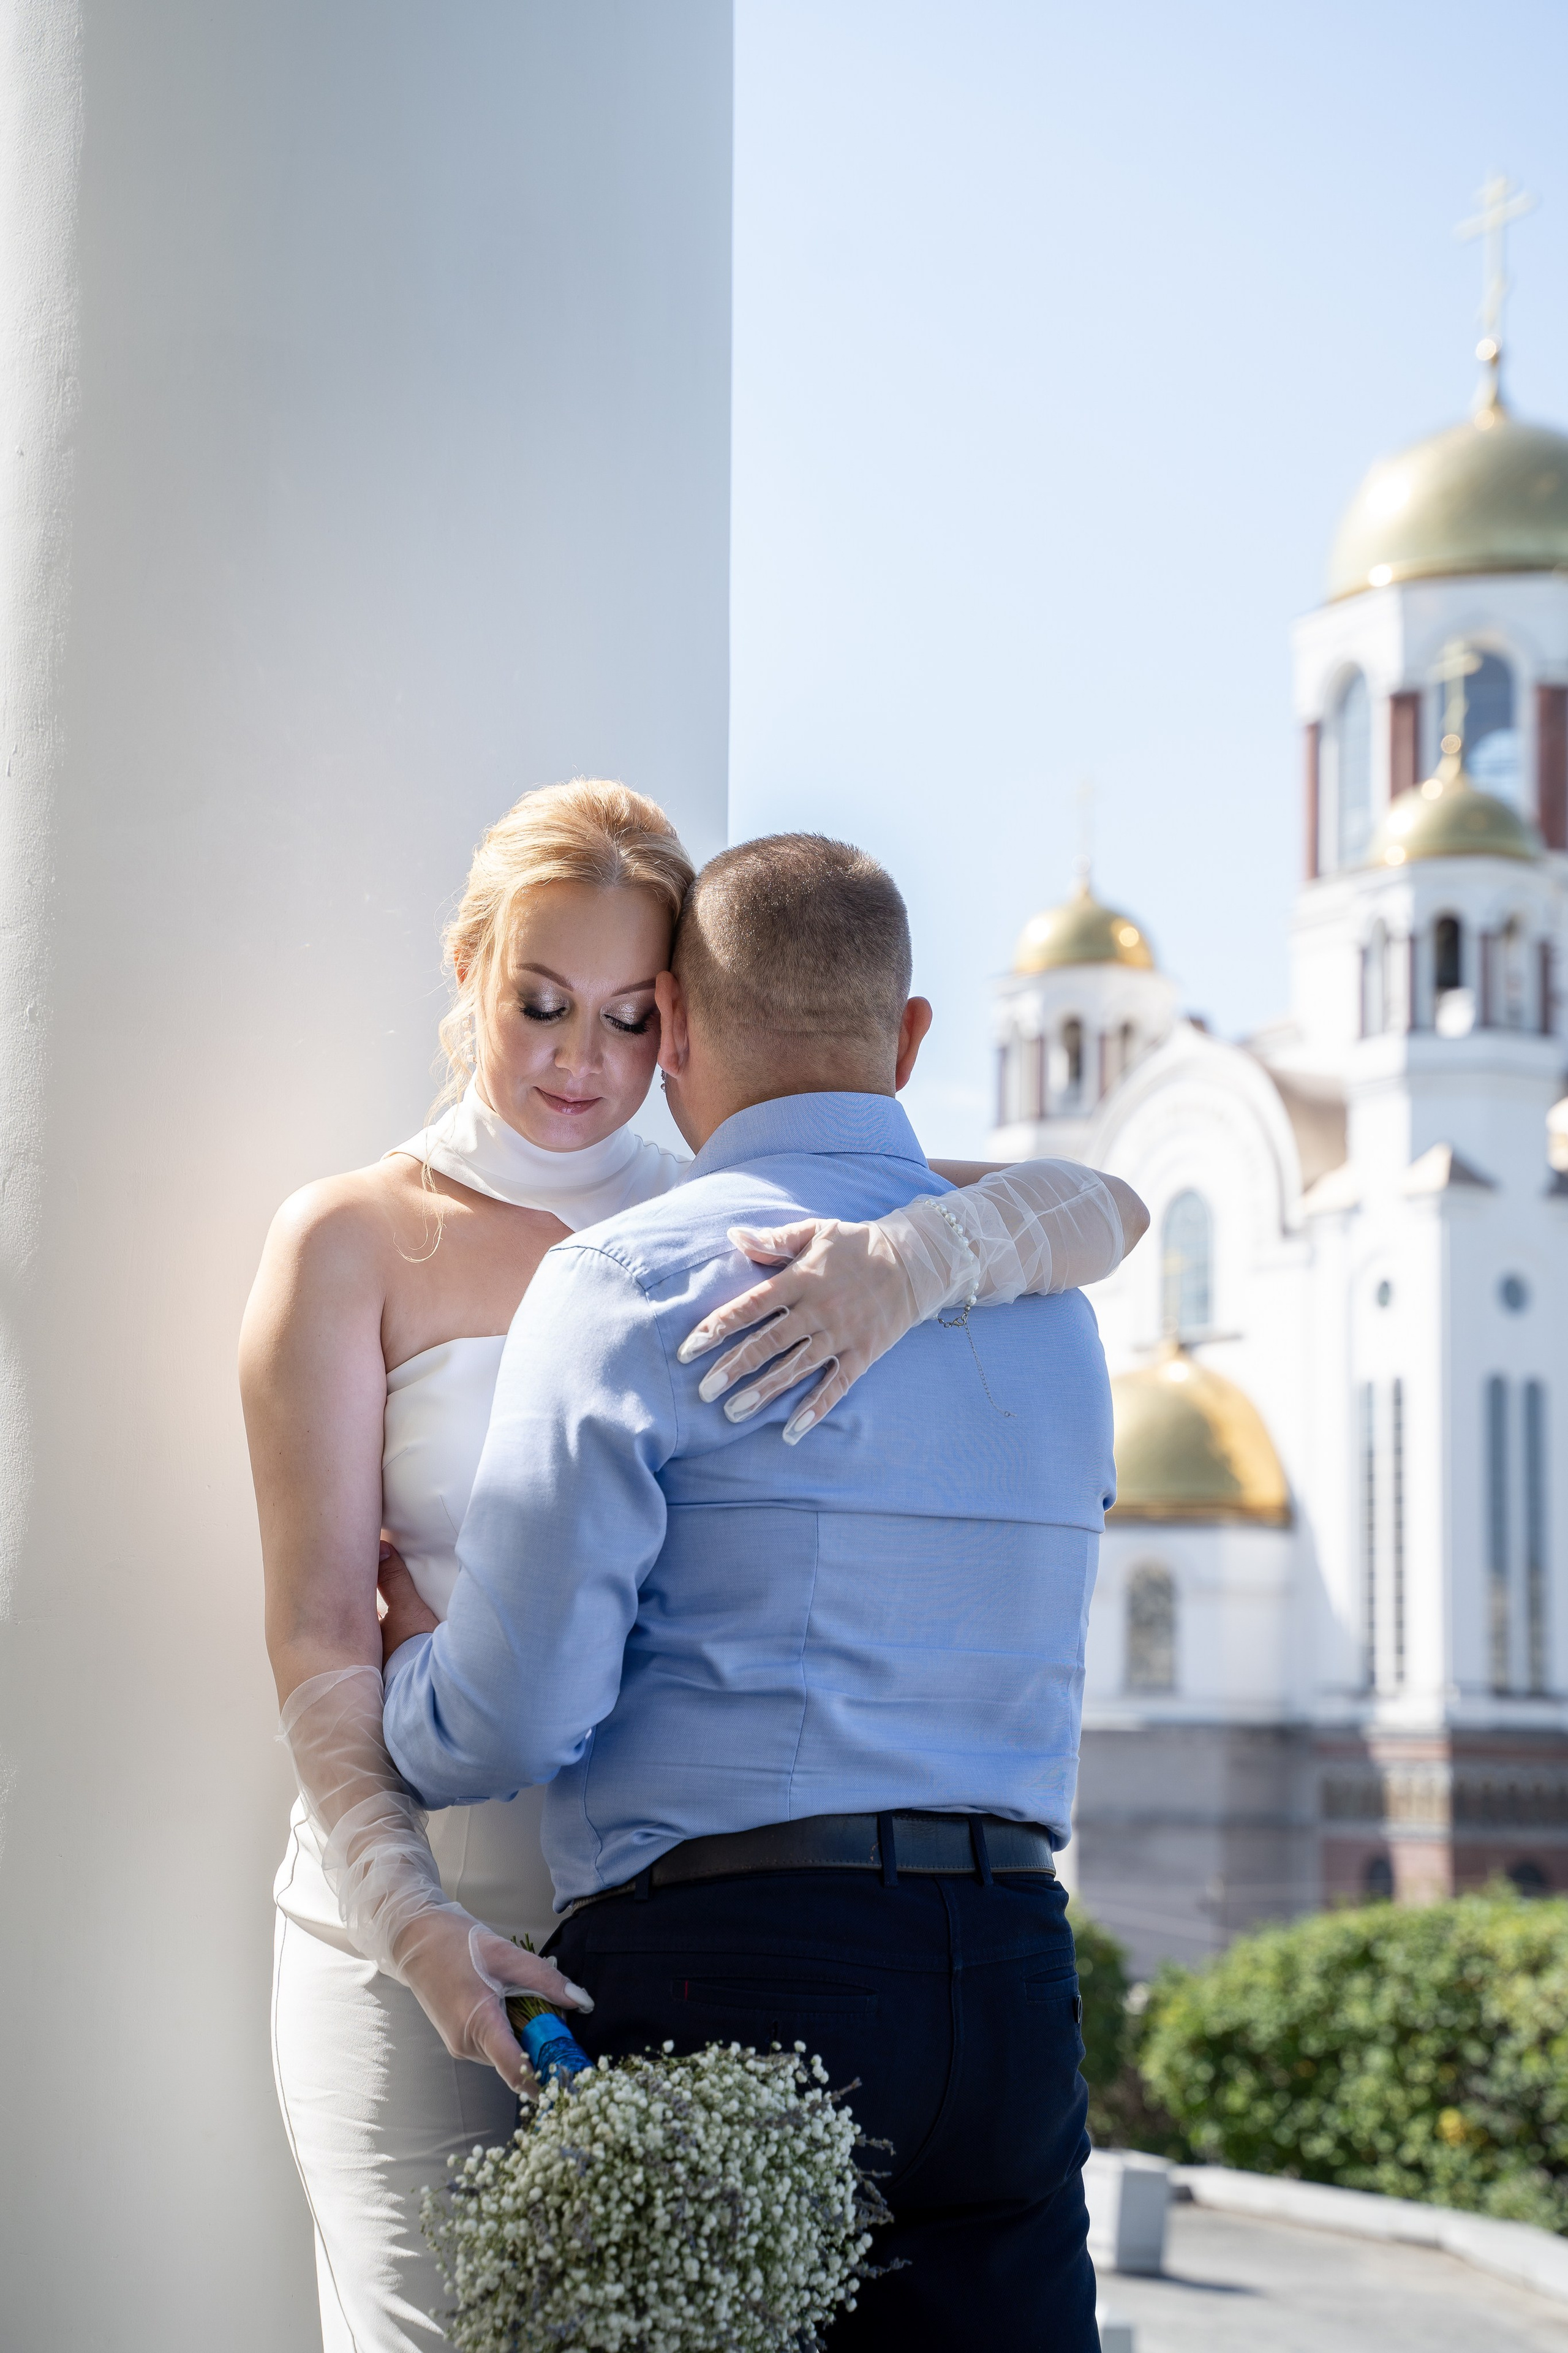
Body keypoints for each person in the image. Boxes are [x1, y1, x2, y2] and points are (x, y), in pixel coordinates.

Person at [241, 784, 1143, 2353]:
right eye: (538, 1002)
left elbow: (1104, 1205)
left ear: (690, 1026)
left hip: (661, 1938)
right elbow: (317, 1626)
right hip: (433, 1910)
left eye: (630, 1017)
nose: (580, 1059)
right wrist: (414, 1921)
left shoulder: (706, 1230)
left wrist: (914, 1261)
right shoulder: (350, 1237)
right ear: (467, 974)